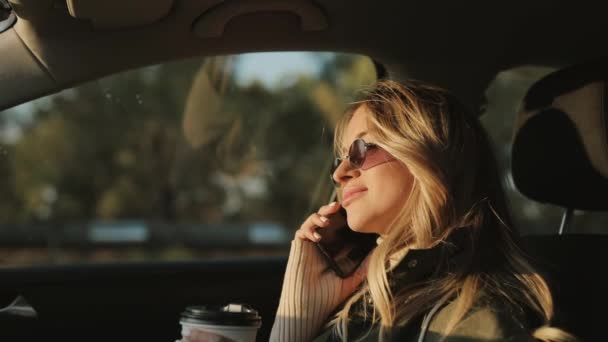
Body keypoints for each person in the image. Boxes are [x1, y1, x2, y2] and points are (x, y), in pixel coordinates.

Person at [185, 79, 576, 342]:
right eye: (339, 157)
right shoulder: (376, 296)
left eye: (359, 150)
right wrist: (295, 322)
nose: (340, 172)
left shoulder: (472, 318)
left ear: (427, 155)